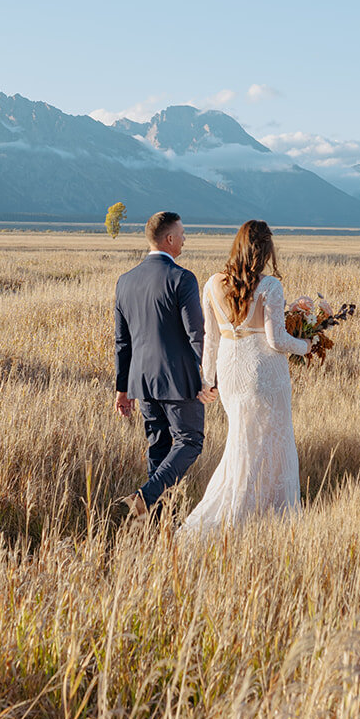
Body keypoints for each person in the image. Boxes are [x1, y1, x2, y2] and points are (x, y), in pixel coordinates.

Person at [178, 220, 317, 540]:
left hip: (230, 371)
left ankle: (233, 512)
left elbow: (209, 339)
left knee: (242, 442)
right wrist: (306, 346)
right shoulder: (269, 286)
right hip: (264, 371)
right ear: (265, 250)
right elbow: (277, 340)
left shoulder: (212, 283)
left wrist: (207, 380)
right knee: (274, 444)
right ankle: (268, 519)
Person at [114, 210, 218, 520]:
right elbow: (196, 333)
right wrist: (209, 376)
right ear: (169, 239)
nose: (185, 239)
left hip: (141, 380)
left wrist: (122, 389)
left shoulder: (125, 280)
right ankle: (144, 497)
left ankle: (158, 523)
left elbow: (122, 341)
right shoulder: (182, 278)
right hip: (177, 378)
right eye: (182, 233)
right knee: (189, 440)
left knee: (159, 446)